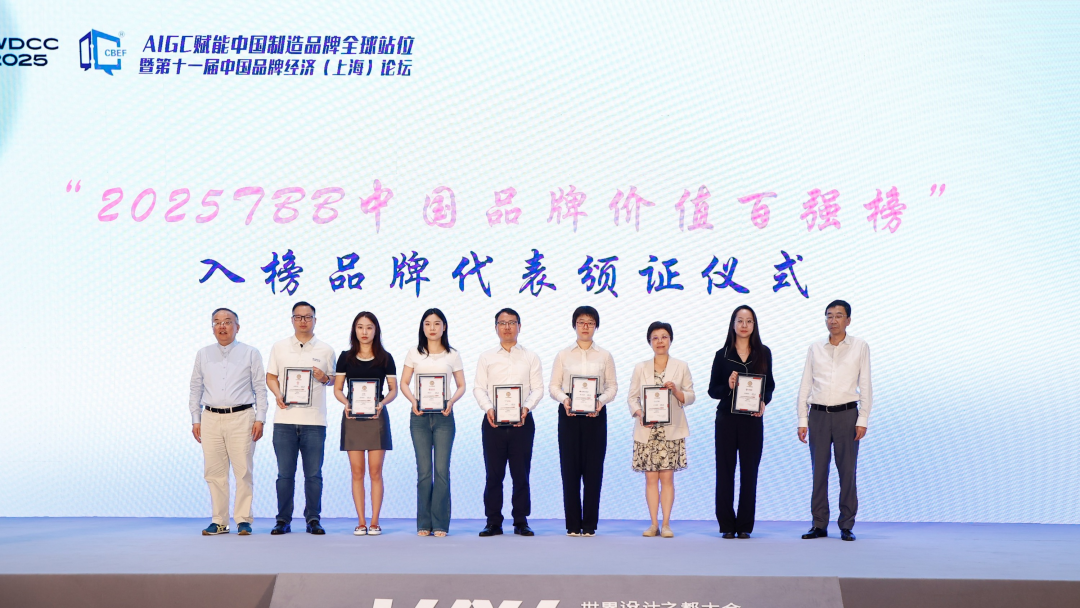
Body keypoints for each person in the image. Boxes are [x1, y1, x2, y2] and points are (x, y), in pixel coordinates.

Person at [797, 300, 873, 542]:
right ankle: (819, 524)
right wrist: (802, 419)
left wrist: (863, 418)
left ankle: (846, 524)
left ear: (848, 320)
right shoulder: (815, 348)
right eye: (829, 316)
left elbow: (866, 384)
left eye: (839, 316)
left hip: (847, 415)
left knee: (847, 472)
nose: (833, 320)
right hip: (818, 415)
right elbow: (806, 384)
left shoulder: (860, 346)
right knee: (818, 472)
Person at [188, 308, 268, 536]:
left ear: (237, 327)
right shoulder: (203, 354)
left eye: (227, 322)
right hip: (210, 418)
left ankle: (243, 520)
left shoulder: (251, 353)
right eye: (217, 322)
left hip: (242, 417)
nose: (222, 326)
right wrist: (195, 419)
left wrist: (260, 418)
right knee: (214, 472)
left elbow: (260, 388)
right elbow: (195, 387)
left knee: (243, 471)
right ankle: (219, 521)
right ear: (212, 327)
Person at [265, 301, 336, 536]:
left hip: (314, 421)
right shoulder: (279, 347)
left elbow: (335, 380)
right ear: (292, 320)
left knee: (313, 475)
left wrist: (324, 377)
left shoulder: (326, 349)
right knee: (284, 475)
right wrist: (277, 394)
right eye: (298, 317)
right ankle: (282, 520)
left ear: (315, 320)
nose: (303, 321)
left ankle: (313, 519)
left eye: (308, 317)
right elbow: (271, 376)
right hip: (284, 420)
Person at [473, 308, 544, 537]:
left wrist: (526, 408)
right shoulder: (486, 357)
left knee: (521, 474)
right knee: (493, 475)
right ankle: (493, 522)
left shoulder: (530, 357)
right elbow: (479, 388)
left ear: (519, 327)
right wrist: (488, 408)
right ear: (496, 327)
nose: (507, 327)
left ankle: (521, 521)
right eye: (502, 323)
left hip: (522, 422)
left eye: (511, 322)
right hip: (493, 422)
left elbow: (538, 389)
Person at [548, 305, 617, 537]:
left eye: (590, 322)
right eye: (581, 322)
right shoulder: (563, 354)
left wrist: (601, 401)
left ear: (596, 326)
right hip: (569, 414)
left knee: (593, 470)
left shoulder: (605, 355)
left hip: (595, 415)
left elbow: (612, 387)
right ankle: (572, 524)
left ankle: (589, 524)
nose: (585, 326)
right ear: (574, 325)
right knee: (569, 469)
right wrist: (564, 399)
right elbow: (553, 386)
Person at [707, 305, 775, 539]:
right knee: (725, 471)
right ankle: (727, 524)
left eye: (749, 321)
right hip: (726, 419)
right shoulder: (722, 354)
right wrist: (728, 385)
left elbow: (769, 385)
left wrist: (764, 401)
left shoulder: (763, 353)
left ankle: (745, 525)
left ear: (754, 325)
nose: (744, 325)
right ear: (733, 324)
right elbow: (712, 390)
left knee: (749, 472)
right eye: (740, 320)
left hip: (752, 421)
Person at [399, 308, 466, 537]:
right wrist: (413, 401)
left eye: (437, 323)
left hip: (444, 416)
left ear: (444, 327)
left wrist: (451, 401)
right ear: (422, 327)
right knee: (424, 472)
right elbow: (404, 383)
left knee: (442, 471)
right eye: (427, 323)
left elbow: (461, 385)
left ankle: (440, 524)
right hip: (419, 416)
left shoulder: (452, 354)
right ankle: (424, 523)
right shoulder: (414, 353)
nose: (432, 328)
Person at [627, 321, 695, 538]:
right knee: (650, 479)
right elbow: (632, 398)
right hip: (647, 431)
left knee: (667, 479)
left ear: (670, 340)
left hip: (670, 431)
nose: (660, 341)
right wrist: (640, 414)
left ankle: (666, 524)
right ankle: (653, 524)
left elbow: (690, 396)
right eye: (655, 337)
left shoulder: (681, 366)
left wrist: (676, 391)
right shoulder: (640, 367)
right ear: (649, 342)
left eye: (664, 337)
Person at [334, 311, 398, 536]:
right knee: (357, 471)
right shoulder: (345, 357)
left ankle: (375, 521)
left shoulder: (385, 358)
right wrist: (346, 403)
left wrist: (382, 403)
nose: (364, 332)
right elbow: (337, 389)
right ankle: (361, 521)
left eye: (369, 327)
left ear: (375, 330)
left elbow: (393, 390)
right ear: (354, 330)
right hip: (353, 418)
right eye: (360, 327)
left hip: (376, 418)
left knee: (376, 471)